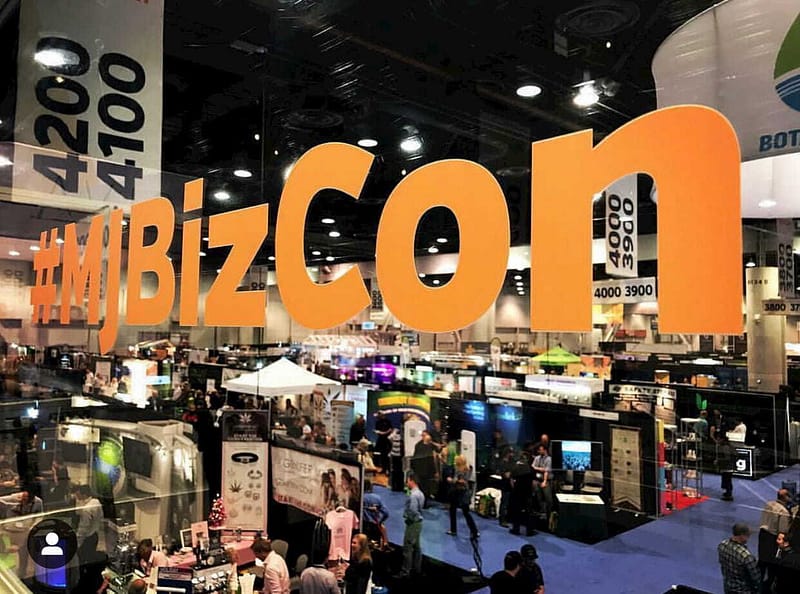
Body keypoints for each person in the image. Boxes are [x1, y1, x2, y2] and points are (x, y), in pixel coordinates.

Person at [717, 523, 760, 594]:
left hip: (728, 588)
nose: (748, 538)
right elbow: (756, 578)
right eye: (747, 535)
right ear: (742, 535)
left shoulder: (722, 545)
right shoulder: (746, 556)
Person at [398, 473, 425, 578]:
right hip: (418, 523)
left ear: (412, 481)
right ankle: (417, 568)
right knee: (417, 547)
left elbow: (413, 510)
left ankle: (405, 571)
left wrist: (408, 517)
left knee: (407, 547)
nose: (407, 483)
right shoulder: (420, 493)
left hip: (413, 523)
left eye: (408, 481)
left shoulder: (413, 495)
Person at [446, 454, 479, 538]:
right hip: (458, 492)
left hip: (462, 493)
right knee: (454, 510)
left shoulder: (464, 470)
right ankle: (455, 530)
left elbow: (462, 481)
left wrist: (452, 480)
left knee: (464, 512)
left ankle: (473, 531)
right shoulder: (463, 469)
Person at [73, 484, 103, 562]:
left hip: (87, 539)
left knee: (83, 560)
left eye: (78, 494)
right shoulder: (96, 501)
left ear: (84, 495)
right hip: (95, 534)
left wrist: (77, 543)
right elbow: (101, 516)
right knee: (91, 558)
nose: (77, 496)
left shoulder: (86, 509)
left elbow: (83, 528)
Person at [509, 451, 535, 536]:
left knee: (516, 511)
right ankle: (529, 531)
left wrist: (514, 489)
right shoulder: (530, 468)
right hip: (527, 492)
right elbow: (533, 482)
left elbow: (511, 480)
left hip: (517, 491)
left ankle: (516, 529)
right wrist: (532, 491)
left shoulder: (515, 468)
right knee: (529, 511)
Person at [411, 430, 438, 505]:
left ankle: (424, 501)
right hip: (421, 470)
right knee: (422, 486)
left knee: (426, 487)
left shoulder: (430, 445)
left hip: (427, 470)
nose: (424, 437)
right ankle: (422, 502)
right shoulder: (419, 445)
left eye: (425, 435)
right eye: (423, 435)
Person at [362, 479, 390, 548]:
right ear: (371, 487)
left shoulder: (360, 498)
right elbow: (386, 513)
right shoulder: (377, 498)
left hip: (363, 527)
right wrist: (380, 521)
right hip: (375, 527)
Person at [531, 444, 553, 521]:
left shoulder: (549, 459)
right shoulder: (537, 458)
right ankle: (541, 512)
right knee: (539, 497)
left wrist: (544, 481)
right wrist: (541, 469)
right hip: (537, 480)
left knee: (548, 499)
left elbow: (546, 470)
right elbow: (533, 466)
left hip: (546, 480)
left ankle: (549, 514)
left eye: (540, 450)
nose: (539, 451)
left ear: (545, 450)